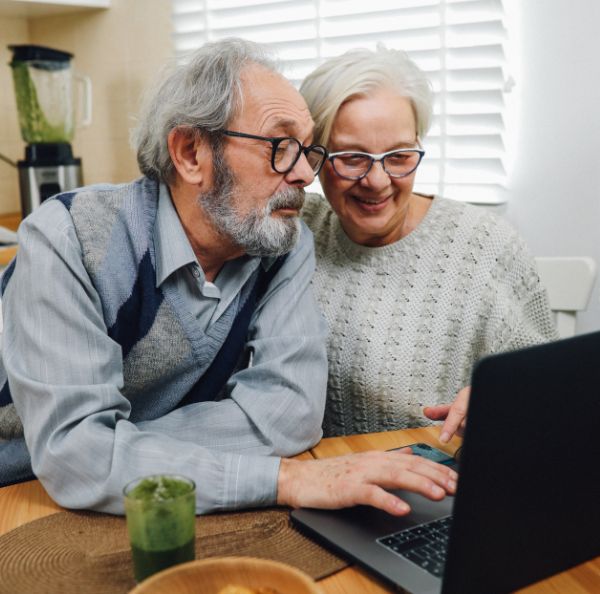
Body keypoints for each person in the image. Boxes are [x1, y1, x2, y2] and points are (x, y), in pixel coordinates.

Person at [0, 39, 456, 517]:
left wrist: (113, 448)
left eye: (307, 150)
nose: (304, 173)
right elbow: (74, 461)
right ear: (191, 153)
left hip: (151, 496)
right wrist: (284, 479)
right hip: (23, 494)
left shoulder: (282, 244)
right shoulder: (66, 238)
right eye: (281, 146)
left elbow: (293, 415)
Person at [300, 46, 559, 440]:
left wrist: (503, 397)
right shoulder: (296, 230)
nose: (378, 180)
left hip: (443, 481)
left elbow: (551, 389)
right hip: (322, 477)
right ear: (315, 157)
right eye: (352, 158)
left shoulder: (486, 246)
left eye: (400, 156)